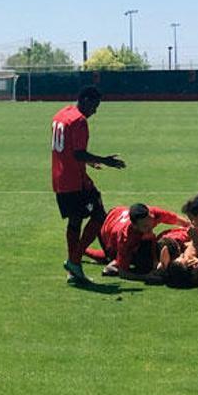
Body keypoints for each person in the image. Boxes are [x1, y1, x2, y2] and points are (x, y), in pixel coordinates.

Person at [51, 87, 126, 284]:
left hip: (60, 179)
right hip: (76, 181)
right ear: (84, 99)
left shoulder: (61, 114)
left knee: (75, 221)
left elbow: (68, 149)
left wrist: (89, 162)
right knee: (99, 214)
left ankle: (74, 270)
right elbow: (77, 153)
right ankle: (75, 259)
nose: (94, 111)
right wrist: (105, 160)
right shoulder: (79, 121)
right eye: (94, 105)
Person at [91, 203, 189, 282]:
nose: (150, 226)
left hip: (117, 212)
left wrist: (191, 228)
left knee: (148, 239)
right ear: (135, 226)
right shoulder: (126, 238)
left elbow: (178, 220)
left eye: (150, 221)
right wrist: (146, 277)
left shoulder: (153, 213)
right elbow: (123, 273)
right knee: (115, 258)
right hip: (106, 230)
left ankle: (118, 261)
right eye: (145, 226)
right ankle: (112, 261)